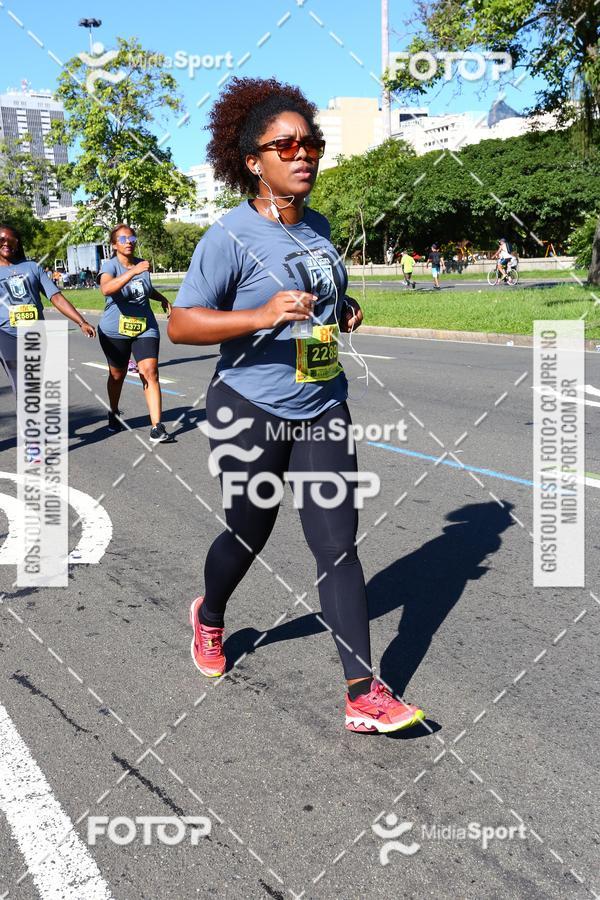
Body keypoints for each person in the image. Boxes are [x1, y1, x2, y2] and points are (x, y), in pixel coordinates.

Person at [168, 76, 425, 734]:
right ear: (254, 162)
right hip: (249, 407)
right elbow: (183, 324)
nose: (303, 154)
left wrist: (345, 308)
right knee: (247, 532)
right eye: (285, 146)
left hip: (322, 402)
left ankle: (363, 694)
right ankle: (210, 614)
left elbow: (320, 295)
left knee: (337, 546)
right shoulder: (228, 236)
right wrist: (259, 316)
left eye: (310, 143)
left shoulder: (319, 227)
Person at [0, 224, 96, 395]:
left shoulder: (32, 267)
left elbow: (56, 298)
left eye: (11, 240)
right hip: (6, 334)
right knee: (23, 385)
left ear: (17, 243)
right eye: (1, 239)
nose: (6, 243)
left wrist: (81, 322)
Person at [97, 224, 172, 442]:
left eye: (131, 238)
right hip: (115, 330)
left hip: (145, 327)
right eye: (122, 239)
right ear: (114, 245)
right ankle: (113, 412)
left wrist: (162, 299)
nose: (128, 242)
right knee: (117, 375)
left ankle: (157, 426)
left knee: (150, 372)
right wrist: (133, 271)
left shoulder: (142, 264)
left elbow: (144, 289)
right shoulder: (110, 266)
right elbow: (106, 289)